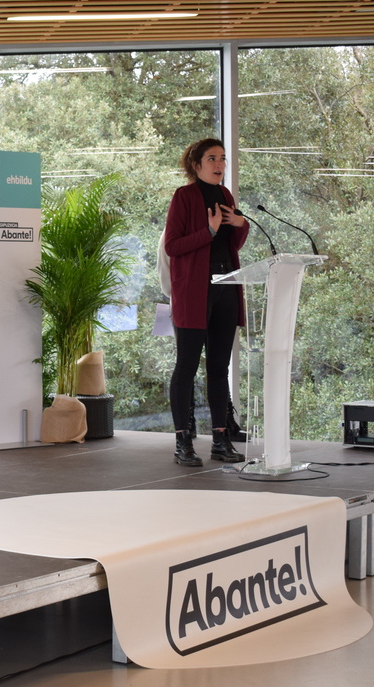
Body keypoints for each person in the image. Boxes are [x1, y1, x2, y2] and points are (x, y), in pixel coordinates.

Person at [164, 138, 248, 466]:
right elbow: (173, 246)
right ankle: (182, 442)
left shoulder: (225, 196)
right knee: (186, 366)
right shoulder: (184, 197)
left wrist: (241, 225)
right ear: (196, 164)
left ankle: (220, 440)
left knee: (218, 367)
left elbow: (232, 245)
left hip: (227, 286)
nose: (219, 164)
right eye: (212, 159)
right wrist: (208, 232)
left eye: (223, 159)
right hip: (194, 292)